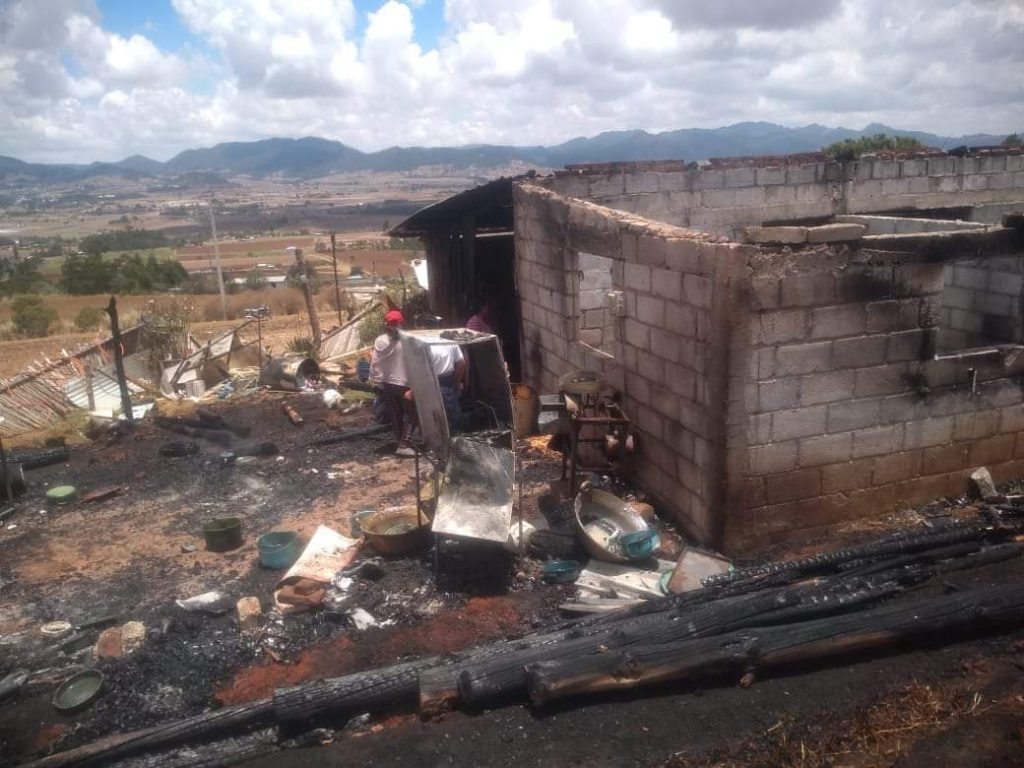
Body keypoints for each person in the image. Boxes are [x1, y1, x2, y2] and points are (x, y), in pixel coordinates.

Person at [369, 308, 416, 457]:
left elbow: (374, 361)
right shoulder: (407, 340)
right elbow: (414, 364)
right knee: (411, 413)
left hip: (387, 383)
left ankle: (400, 441)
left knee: (396, 414)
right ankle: (404, 444)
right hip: (403, 383)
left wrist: (376, 380)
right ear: (402, 322)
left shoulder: (380, 341)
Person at [427, 342, 466, 429]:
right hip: (446, 381)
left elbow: (461, 363)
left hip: (434, 380)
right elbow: (461, 363)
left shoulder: (423, 344)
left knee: (437, 419)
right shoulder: (450, 342)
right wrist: (455, 382)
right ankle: (456, 437)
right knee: (452, 416)